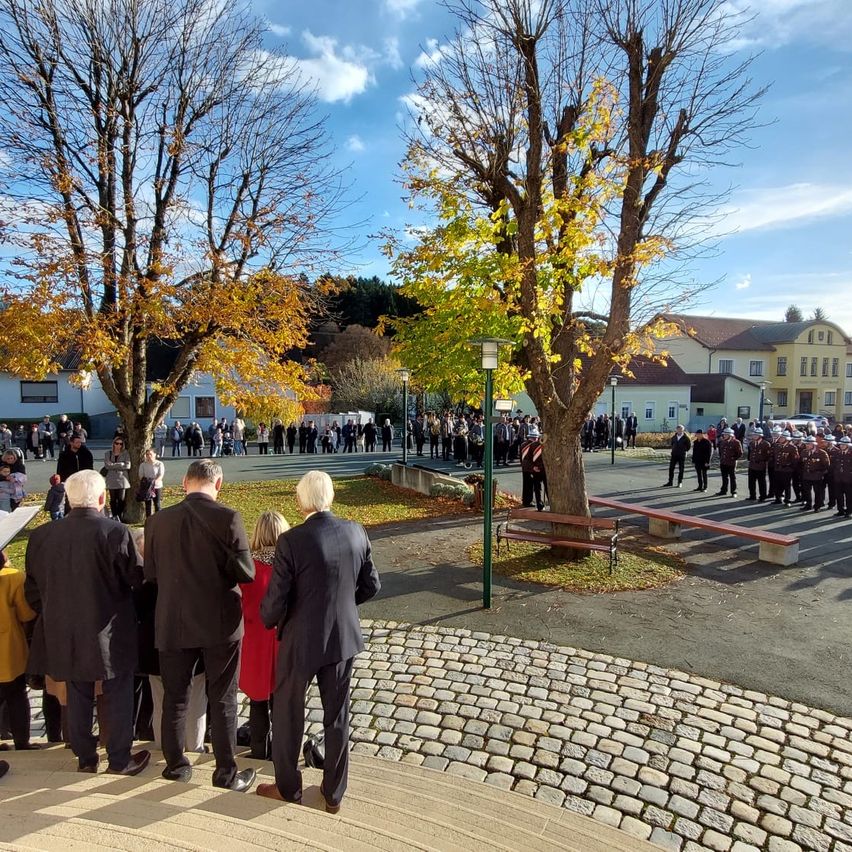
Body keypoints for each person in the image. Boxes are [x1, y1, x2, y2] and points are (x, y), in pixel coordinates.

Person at [258, 471, 380, 810]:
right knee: (338, 715)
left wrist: (267, 618)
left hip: (300, 640)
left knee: (287, 713)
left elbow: (276, 599)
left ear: (300, 502)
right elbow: (372, 585)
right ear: (331, 498)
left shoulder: (292, 541)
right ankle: (333, 792)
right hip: (342, 638)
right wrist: (342, 606)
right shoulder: (356, 531)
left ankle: (288, 787)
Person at [25, 470, 150, 776]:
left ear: (67, 499)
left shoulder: (42, 537)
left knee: (78, 691)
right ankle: (119, 759)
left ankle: (85, 757)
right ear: (102, 497)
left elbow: (33, 590)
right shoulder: (115, 533)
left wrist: (57, 611)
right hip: (109, 628)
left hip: (62, 628)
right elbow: (136, 579)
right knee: (118, 690)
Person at [144, 459, 256, 791]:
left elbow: (150, 574)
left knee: (175, 696)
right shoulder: (228, 517)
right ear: (217, 484)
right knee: (222, 696)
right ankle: (225, 773)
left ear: (184, 483)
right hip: (220, 621)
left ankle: (177, 766)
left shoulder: (157, 520)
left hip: (173, 620)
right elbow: (246, 572)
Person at [131, 529, 206, 755]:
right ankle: (194, 749)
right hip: (192, 647)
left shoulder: (146, 581)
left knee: (162, 701)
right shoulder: (192, 574)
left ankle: (164, 748)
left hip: (158, 650)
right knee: (194, 702)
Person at [239, 511, 290, 760]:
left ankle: (259, 750)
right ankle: (281, 753)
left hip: (254, 642)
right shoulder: (290, 569)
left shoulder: (248, 569)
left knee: (257, 701)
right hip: (283, 641)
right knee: (281, 703)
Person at [0, 550, 39, 751]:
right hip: (8, 648)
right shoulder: (13, 577)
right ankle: (22, 742)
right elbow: (26, 614)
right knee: (16, 696)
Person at [103, 436, 131, 521]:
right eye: (116, 443)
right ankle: (114, 515)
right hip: (111, 478)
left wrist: (113, 465)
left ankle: (120, 516)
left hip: (122, 478)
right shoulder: (108, 453)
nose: (118, 445)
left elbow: (127, 465)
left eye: (120, 444)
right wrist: (120, 464)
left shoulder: (125, 453)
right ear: (113, 444)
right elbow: (107, 465)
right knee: (113, 499)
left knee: (121, 499)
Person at [520, 429, 548, 510]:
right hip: (533, 468)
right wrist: (532, 467)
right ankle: (529, 501)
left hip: (529, 467)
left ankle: (529, 501)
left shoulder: (524, 444)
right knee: (535, 487)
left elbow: (523, 459)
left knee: (532, 487)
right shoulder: (533, 445)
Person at [715, 427, 742, 497]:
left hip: (731, 463)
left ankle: (734, 491)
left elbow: (740, 453)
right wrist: (721, 458)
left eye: (726, 434)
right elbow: (721, 451)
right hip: (723, 462)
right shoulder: (722, 442)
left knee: (732, 477)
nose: (724, 436)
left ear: (731, 435)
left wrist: (734, 458)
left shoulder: (736, 442)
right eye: (724, 434)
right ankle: (723, 490)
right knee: (724, 477)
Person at [138, 448, 165, 517]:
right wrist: (148, 483)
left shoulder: (159, 464)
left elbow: (160, 475)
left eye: (150, 454)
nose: (149, 456)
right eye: (147, 454)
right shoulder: (143, 465)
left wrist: (154, 482)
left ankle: (158, 520)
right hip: (147, 487)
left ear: (155, 455)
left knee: (157, 504)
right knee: (148, 505)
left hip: (157, 487)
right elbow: (141, 476)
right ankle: (149, 521)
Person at [746, 429, 770, 502]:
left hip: (760, 465)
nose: (754, 436)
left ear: (760, 436)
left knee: (761, 482)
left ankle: (763, 496)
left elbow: (768, 456)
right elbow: (750, 453)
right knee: (751, 482)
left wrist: (762, 461)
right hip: (752, 465)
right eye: (753, 435)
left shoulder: (765, 444)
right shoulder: (752, 443)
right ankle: (752, 495)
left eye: (755, 435)